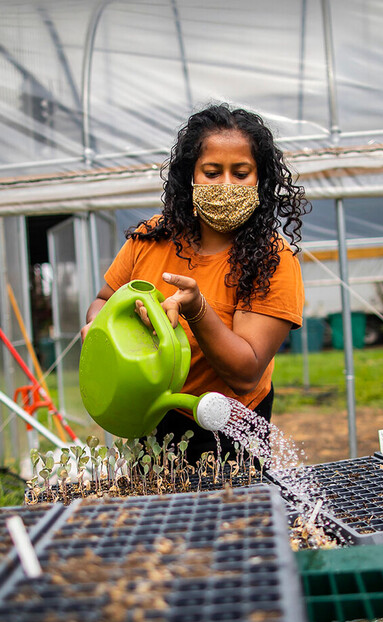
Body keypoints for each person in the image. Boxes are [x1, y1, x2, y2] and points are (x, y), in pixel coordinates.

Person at [82, 103, 308, 465]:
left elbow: (247, 372)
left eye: (241, 173)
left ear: (260, 180)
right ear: (191, 176)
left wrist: (198, 310)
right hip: (150, 412)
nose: (226, 185)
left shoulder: (272, 259)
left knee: (230, 517)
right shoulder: (152, 238)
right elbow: (103, 299)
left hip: (227, 426)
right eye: (212, 172)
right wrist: (98, 326)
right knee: (158, 512)